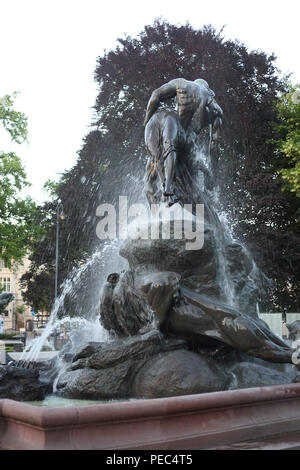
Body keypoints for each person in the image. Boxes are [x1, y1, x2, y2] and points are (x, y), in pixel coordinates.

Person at [144, 78, 223, 204]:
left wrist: (147, 122)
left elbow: (155, 95)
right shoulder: (216, 109)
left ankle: (158, 206)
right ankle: (177, 192)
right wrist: (212, 171)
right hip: (186, 141)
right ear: (210, 91)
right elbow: (214, 145)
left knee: (151, 174)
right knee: (194, 170)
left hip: (172, 132)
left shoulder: (183, 84)